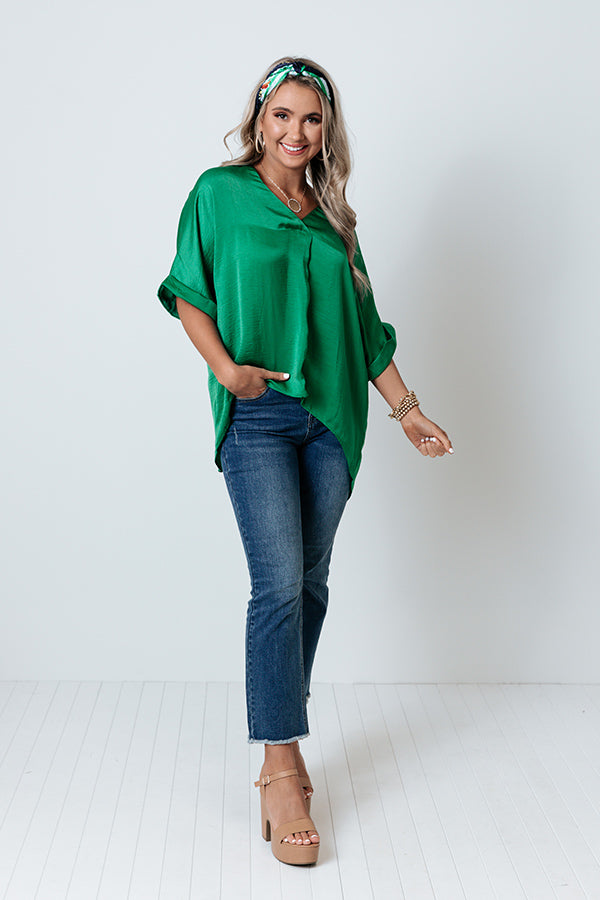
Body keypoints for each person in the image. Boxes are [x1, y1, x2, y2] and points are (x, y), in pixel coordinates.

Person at [157, 56, 453, 866]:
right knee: (278, 585)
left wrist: (408, 411)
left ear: (327, 130)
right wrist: (228, 372)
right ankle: (281, 766)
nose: (296, 131)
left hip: (331, 421)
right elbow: (189, 289)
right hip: (257, 416)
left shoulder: (334, 219)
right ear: (259, 118)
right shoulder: (218, 194)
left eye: (311, 118)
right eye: (282, 115)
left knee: (311, 583)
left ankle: (280, 737)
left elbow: (366, 330)